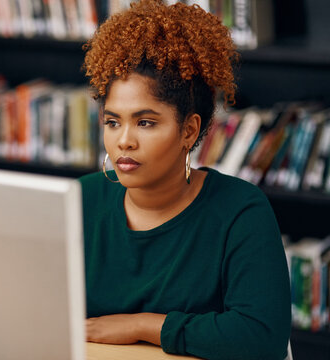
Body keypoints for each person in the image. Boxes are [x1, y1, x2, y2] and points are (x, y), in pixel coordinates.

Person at [79, 1, 291, 359]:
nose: (123, 140)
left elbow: (261, 335)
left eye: (145, 122)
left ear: (189, 131)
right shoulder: (79, 199)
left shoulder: (240, 211)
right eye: (113, 122)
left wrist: (141, 325)